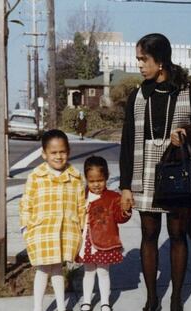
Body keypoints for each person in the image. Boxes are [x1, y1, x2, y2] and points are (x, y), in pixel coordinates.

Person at [119, 33, 191, 311]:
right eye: (138, 60)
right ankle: (151, 298)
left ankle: (177, 298)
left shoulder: (186, 92)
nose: (140, 65)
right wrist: (124, 187)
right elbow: (127, 141)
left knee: (178, 234)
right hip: (143, 170)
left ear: (161, 61)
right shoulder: (137, 95)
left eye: (143, 59)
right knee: (148, 234)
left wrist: (184, 134)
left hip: (176, 170)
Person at [19, 129, 86, 311]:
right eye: (53, 152)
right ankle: (37, 307)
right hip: (42, 230)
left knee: (58, 268)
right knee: (42, 269)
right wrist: (25, 227)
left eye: (62, 152)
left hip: (66, 230)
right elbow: (26, 203)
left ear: (68, 152)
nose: (58, 156)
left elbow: (81, 205)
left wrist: (82, 229)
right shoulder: (36, 176)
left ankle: (61, 306)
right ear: (44, 154)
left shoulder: (75, 177)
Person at [77, 156, 131, 311]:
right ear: (86, 179)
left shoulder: (114, 198)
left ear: (106, 177)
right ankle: (87, 301)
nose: (96, 185)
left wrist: (126, 210)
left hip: (105, 242)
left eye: (100, 180)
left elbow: (120, 218)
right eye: (92, 181)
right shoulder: (82, 196)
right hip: (86, 241)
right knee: (88, 272)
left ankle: (105, 302)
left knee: (103, 272)